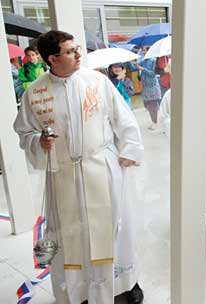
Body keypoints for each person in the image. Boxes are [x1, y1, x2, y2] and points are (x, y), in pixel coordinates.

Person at [14, 30, 144, 304]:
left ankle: (121, 284)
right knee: (71, 233)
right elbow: (24, 133)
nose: (78, 54)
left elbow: (123, 117)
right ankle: (79, 290)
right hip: (63, 175)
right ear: (53, 58)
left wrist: (130, 149)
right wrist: (40, 141)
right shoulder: (35, 92)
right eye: (71, 51)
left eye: (77, 48)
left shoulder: (96, 81)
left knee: (113, 227)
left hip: (100, 167)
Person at [137, 47, 162, 130]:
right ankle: (155, 120)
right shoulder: (143, 61)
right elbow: (135, 67)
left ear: (149, 51)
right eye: (143, 50)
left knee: (153, 107)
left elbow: (153, 73)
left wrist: (143, 69)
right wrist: (130, 61)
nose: (144, 52)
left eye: (145, 50)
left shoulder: (153, 60)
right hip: (145, 87)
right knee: (147, 106)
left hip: (152, 87)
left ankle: (155, 122)